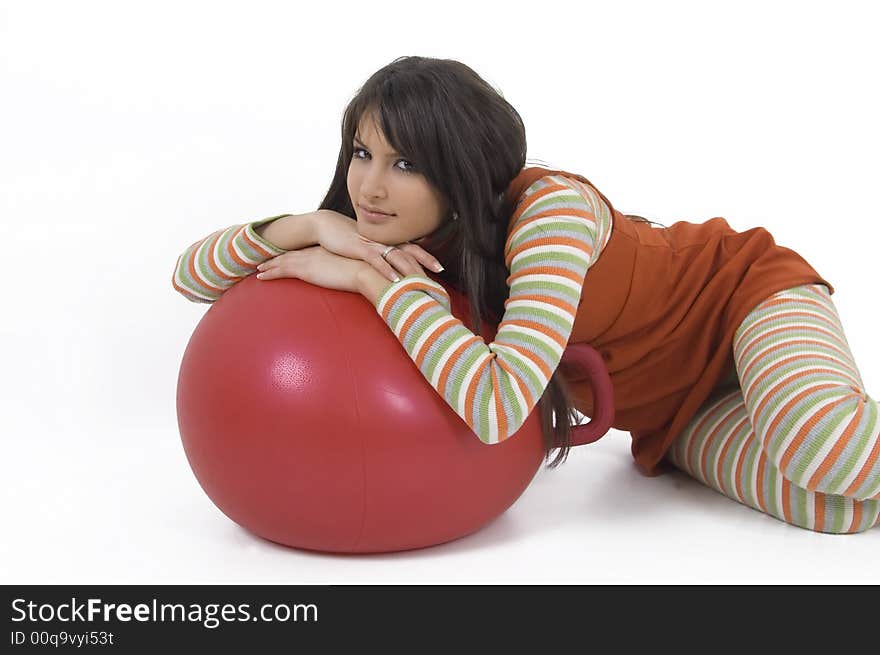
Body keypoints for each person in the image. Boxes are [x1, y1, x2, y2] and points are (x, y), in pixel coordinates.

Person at [172, 56, 879, 534]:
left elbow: (498, 405)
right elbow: (190, 277)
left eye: (406, 162)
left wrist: (371, 280)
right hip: (670, 410)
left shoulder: (549, 215)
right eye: (362, 153)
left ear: (463, 169)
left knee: (825, 451)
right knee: (838, 510)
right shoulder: (386, 230)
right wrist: (304, 226)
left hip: (740, 304)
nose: (368, 187)